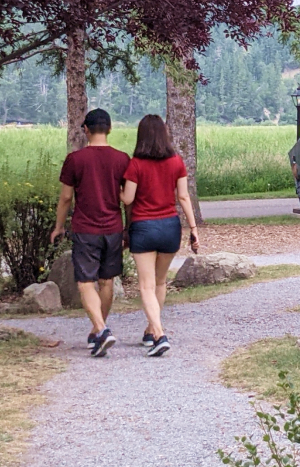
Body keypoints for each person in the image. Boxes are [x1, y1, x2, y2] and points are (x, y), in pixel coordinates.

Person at [51, 108, 130, 358]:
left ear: (85, 130)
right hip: (114, 228)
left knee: (86, 282)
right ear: (109, 128)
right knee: (107, 281)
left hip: (86, 229)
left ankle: (101, 329)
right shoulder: (122, 159)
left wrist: (58, 227)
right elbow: (128, 199)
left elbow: (65, 198)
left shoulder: (75, 160)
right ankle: (99, 331)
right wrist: (129, 227)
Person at [120, 115, 201, 357]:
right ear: (165, 134)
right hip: (170, 228)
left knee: (145, 285)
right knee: (160, 282)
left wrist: (116, 188)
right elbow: (184, 197)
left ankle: (159, 333)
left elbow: (128, 199)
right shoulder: (177, 162)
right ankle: (150, 331)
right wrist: (194, 229)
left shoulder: (135, 164)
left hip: (144, 228)